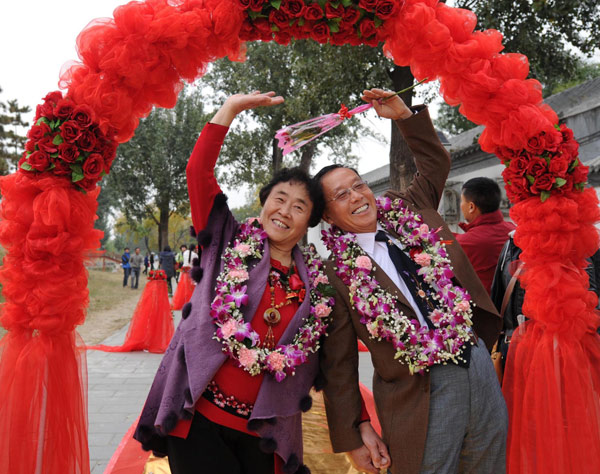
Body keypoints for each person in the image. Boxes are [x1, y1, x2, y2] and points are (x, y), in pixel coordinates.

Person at [134, 92, 332, 474]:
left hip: (265, 434)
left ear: (310, 222)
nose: (285, 211)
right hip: (199, 424)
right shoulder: (227, 237)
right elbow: (198, 173)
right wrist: (230, 110)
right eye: (279, 198)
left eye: (299, 206)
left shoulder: (318, 285)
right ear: (263, 202)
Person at [314, 89, 507, 474]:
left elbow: (435, 161)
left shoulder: (410, 210)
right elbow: (338, 365)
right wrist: (357, 430)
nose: (357, 196)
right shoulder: (334, 274)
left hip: (477, 364)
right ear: (328, 217)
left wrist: (404, 116)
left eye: (358, 185)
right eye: (342, 195)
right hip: (419, 392)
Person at [455, 177, 516, 293]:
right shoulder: (512, 230)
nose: (460, 205)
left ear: (471, 207)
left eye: (461, 201)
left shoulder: (467, 242)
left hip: (485, 308)